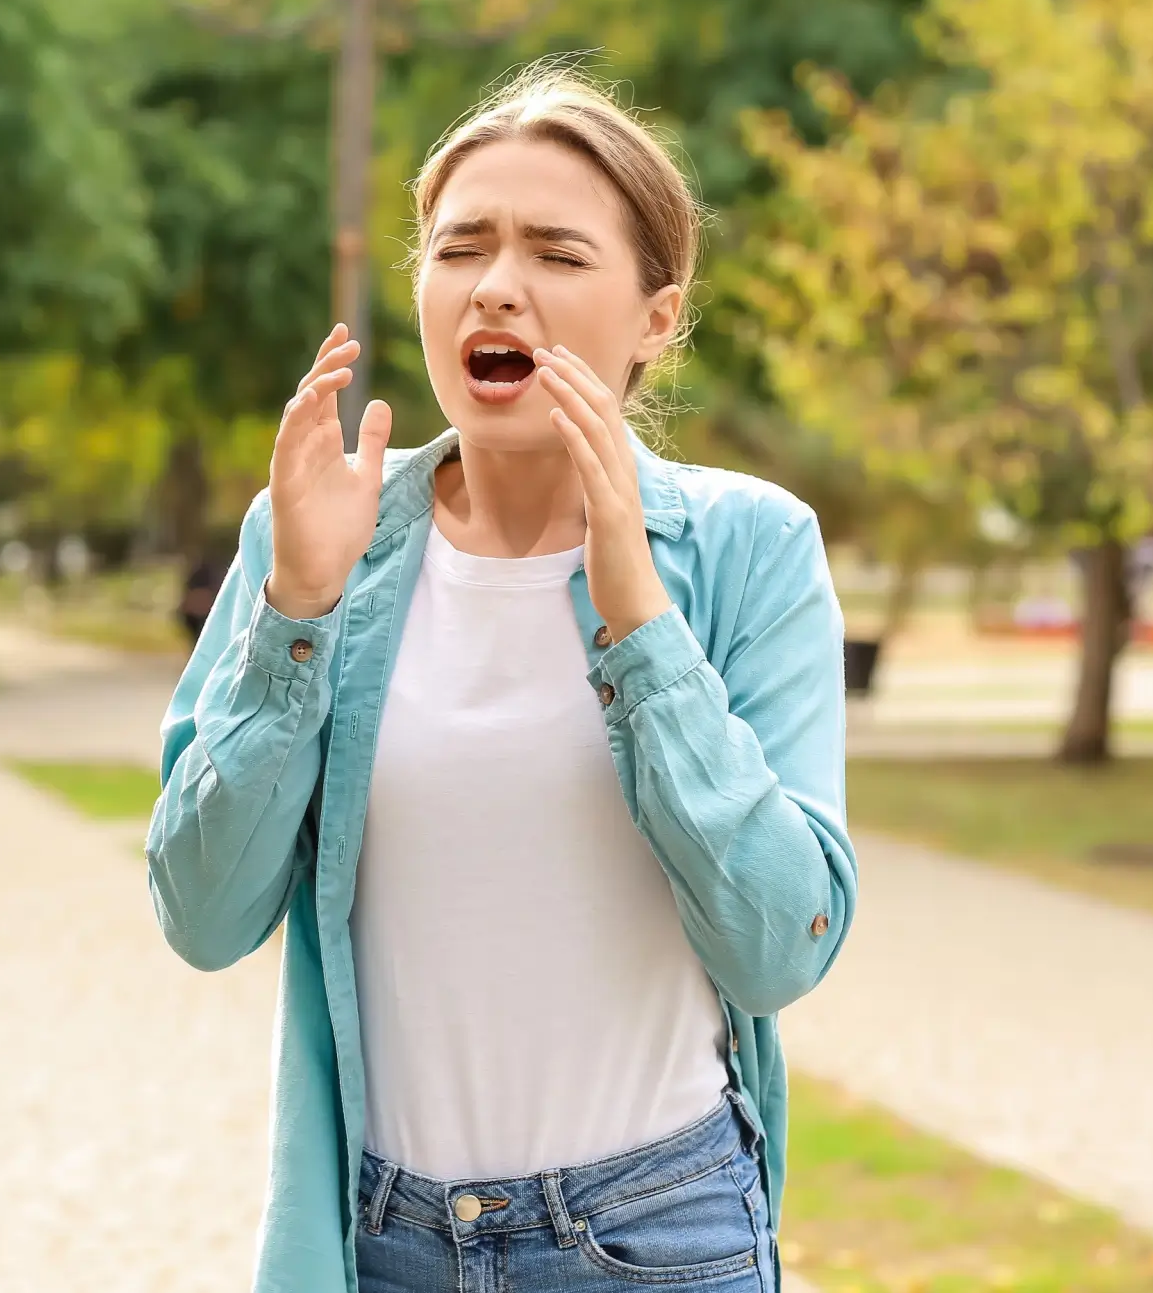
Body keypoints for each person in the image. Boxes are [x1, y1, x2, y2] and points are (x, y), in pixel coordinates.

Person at [147, 65, 854, 1293]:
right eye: (459, 245)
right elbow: (201, 916)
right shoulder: (312, 536)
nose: (496, 285)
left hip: (653, 1233)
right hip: (379, 1241)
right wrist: (295, 614)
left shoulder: (750, 549)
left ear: (653, 317)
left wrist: (638, 622)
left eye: (556, 253)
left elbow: (777, 948)